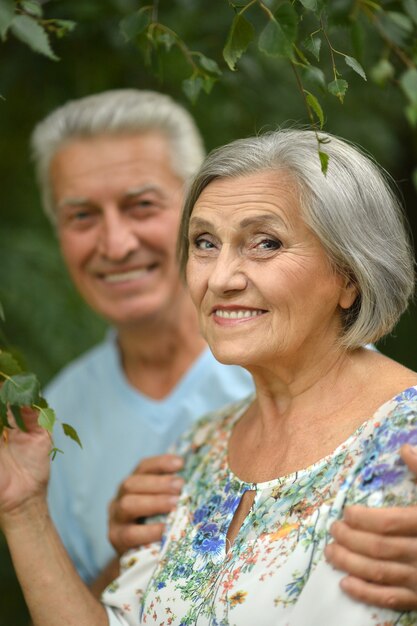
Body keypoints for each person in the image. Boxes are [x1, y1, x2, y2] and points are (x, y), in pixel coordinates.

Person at [2, 128, 417, 626]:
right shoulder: (198, 448)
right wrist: (23, 509)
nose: (219, 278)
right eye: (204, 243)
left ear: (349, 275)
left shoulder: (406, 435)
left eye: (265, 243)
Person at [30, 89, 254, 589]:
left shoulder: (307, 359)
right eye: (82, 215)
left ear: (200, 209)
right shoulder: (54, 420)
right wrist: (130, 559)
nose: (115, 244)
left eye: (142, 206)